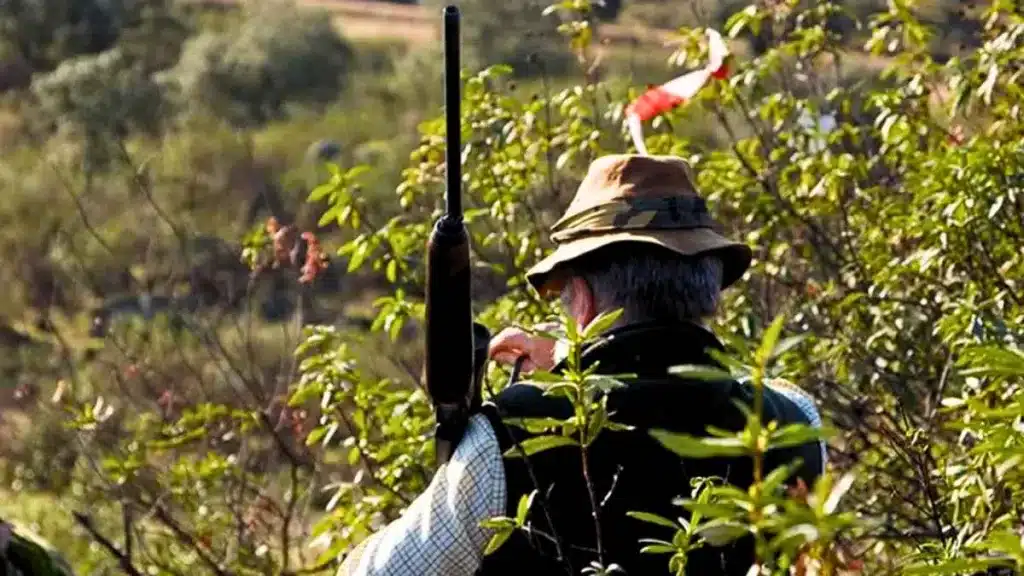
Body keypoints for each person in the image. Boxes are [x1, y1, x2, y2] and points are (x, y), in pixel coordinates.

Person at [339, 154, 825, 575]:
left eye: (565, 302)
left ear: (585, 301)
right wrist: (579, 362)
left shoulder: (506, 440)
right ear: (707, 289)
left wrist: (563, 381)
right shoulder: (794, 423)